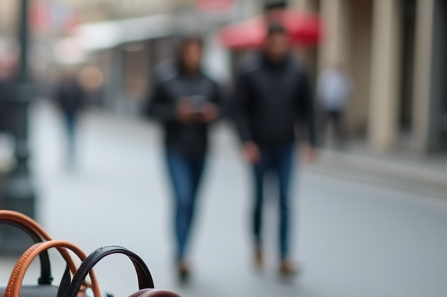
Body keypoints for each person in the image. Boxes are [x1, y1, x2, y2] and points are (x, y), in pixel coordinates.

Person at [233, 22, 317, 277]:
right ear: (266, 42)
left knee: (285, 200)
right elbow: (239, 110)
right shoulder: (250, 70)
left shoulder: (297, 71)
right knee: (259, 199)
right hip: (258, 147)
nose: (278, 47)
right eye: (274, 41)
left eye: (283, 42)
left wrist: (312, 141)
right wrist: (246, 142)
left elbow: (308, 108)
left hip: (286, 145)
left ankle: (284, 256)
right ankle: (258, 243)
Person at [145, 37, 222, 282]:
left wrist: (212, 113)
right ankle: (181, 255)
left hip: (201, 149)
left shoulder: (210, 81)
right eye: (188, 52)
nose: (192, 57)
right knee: (183, 198)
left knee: (193, 202)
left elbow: (226, 108)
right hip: (175, 148)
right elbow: (148, 109)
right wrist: (175, 113)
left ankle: (185, 249)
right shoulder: (166, 78)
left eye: (197, 52)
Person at [316, 62, 352, 148]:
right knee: (323, 123)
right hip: (327, 104)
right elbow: (321, 89)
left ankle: (339, 141)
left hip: (338, 105)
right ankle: (321, 139)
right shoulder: (326, 76)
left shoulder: (344, 78)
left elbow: (349, 90)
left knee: (338, 124)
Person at [55, 69, 85, 169]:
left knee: (72, 134)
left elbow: (81, 101)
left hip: (73, 113)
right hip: (67, 113)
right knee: (68, 134)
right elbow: (59, 99)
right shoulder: (63, 88)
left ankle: (71, 154)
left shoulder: (76, 88)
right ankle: (68, 154)